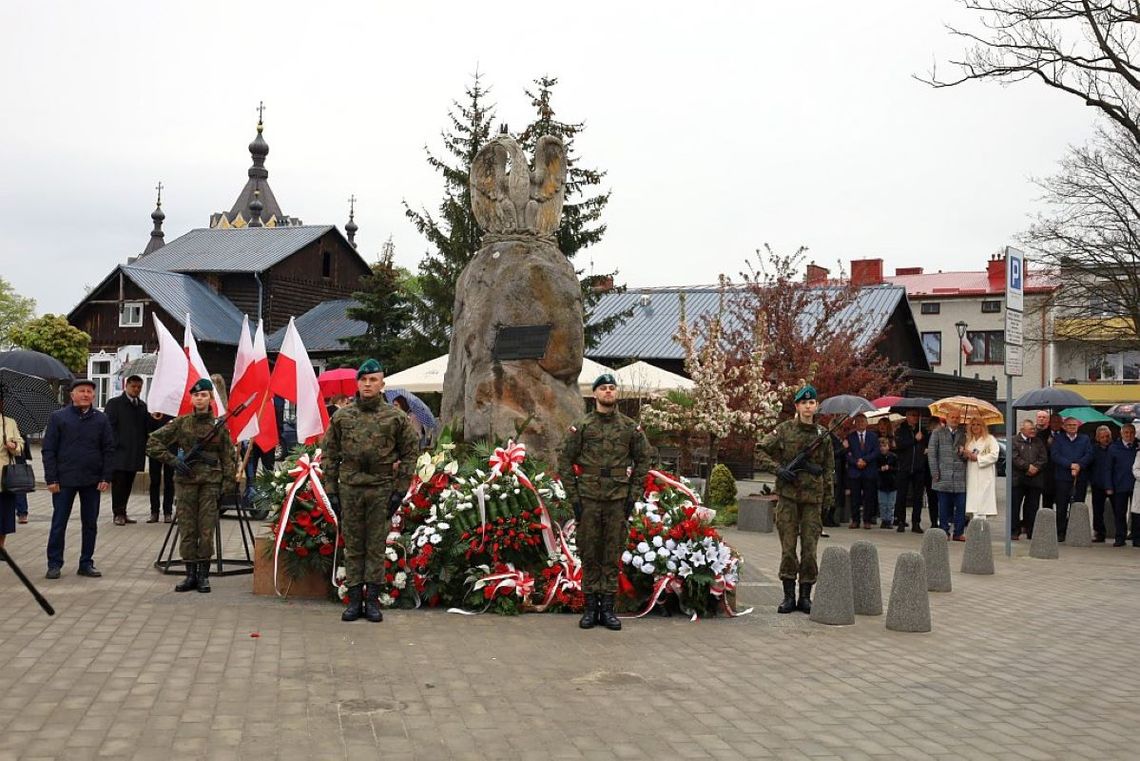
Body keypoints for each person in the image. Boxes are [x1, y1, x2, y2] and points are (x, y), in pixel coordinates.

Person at [322, 359, 418, 623]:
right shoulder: (342, 416)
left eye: (373, 380)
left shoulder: (396, 417)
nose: (367, 384)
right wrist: (331, 491)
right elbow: (328, 455)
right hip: (350, 489)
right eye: (363, 380)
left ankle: (372, 601)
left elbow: (411, 453)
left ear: (381, 384)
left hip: (381, 489)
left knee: (375, 546)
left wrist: (399, 491)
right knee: (353, 546)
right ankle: (354, 601)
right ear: (358, 383)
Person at [560, 373, 650, 631]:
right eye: (604, 388)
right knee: (589, 551)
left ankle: (608, 609)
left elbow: (644, 460)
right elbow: (565, 460)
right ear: (595, 394)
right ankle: (590, 609)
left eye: (612, 388)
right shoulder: (583, 426)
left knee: (611, 552)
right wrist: (574, 497)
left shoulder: (629, 428)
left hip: (617, 499)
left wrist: (632, 496)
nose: (609, 392)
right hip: (588, 499)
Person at [146, 378, 238, 593]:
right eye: (196, 395)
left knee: (205, 531)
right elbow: (152, 442)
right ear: (191, 398)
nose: (199, 398)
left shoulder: (219, 426)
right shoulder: (181, 423)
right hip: (186, 483)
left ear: (211, 398)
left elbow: (228, 456)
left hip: (210, 484)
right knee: (187, 529)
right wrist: (173, 460)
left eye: (204, 395)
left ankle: (204, 576)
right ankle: (190, 575)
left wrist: (228, 485)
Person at [756, 385, 833, 614]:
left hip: (812, 499)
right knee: (788, 549)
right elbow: (760, 450)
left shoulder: (823, 435)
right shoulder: (784, 430)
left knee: (809, 549)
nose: (809, 406)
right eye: (804, 403)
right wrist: (778, 470)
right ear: (797, 406)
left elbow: (829, 469)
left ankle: (806, 597)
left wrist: (828, 499)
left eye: (812, 403)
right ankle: (788, 596)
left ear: (816, 405)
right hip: (789, 498)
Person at [43, 378, 114, 579]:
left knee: (90, 523)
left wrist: (106, 476)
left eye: (90, 391)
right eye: (81, 391)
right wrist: (51, 478)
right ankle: (54, 563)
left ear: (93, 396)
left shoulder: (101, 419)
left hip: (92, 480)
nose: (86, 394)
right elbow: (49, 450)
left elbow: (108, 449)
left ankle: (86, 562)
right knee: (59, 522)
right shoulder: (59, 417)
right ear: (72, 395)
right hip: (64, 480)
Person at [104, 374, 149, 526]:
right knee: (119, 484)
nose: (136, 389)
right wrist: (116, 444)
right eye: (133, 386)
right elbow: (109, 427)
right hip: (120, 452)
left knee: (129, 483)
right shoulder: (115, 404)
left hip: (135, 452)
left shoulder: (142, 406)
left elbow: (144, 428)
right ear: (126, 386)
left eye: (139, 387)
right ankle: (118, 513)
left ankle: (124, 511)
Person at [1052, 415, 1093, 542]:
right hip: (1063, 477)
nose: (1072, 427)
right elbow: (1055, 455)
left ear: (1078, 426)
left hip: (1080, 478)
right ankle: (1060, 532)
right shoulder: (1058, 439)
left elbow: (1089, 454)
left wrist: (1079, 465)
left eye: (1074, 425)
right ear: (1064, 427)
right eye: (1069, 425)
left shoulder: (1085, 439)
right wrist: (1070, 465)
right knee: (1062, 506)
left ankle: (1075, 531)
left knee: (1078, 505)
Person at [928, 409, 967, 540]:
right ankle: (944, 531)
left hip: (960, 477)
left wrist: (963, 452)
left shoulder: (964, 434)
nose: (955, 420)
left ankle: (959, 532)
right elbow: (932, 454)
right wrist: (934, 472)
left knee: (961, 506)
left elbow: (969, 454)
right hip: (943, 475)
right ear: (947, 418)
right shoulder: (937, 432)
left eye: (957, 417)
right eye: (952, 417)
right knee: (943, 506)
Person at [1010, 419, 1047, 540]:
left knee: (1032, 507)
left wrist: (1036, 467)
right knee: (1015, 506)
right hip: (1018, 479)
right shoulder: (1014, 441)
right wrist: (1027, 467)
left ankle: (1031, 530)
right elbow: (1014, 457)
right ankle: (1014, 531)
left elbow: (1043, 457)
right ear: (1022, 430)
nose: (1033, 431)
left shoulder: (1038, 441)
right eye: (1031, 429)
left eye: (1033, 429)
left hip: (1035, 480)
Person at [894, 409, 928, 533]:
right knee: (901, 495)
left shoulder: (922, 430)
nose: (915, 417)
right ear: (907, 416)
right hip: (904, 467)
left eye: (917, 415)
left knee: (917, 496)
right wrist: (915, 439)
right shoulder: (901, 430)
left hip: (919, 468)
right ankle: (901, 521)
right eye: (912, 415)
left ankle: (916, 522)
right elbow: (900, 445)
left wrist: (925, 448)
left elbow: (927, 444)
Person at [962, 416, 999, 525]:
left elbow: (994, 455)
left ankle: (981, 530)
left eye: (978, 424)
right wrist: (965, 454)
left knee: (983, 504)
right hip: (972, 474)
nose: (975, 427)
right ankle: (974, 526)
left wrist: (978, 458)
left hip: (985, 474)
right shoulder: (968, 441)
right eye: (973, 425)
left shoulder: (990, 439)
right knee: (973, 503)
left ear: (983, 426)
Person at [845, 413, 879, 529]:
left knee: (868, 497)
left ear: (867, 423)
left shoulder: (873, 436)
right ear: (855, 423)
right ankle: (855, 520)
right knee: (855, 497)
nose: (860, 424)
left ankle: (867, 520)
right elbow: (847, 454)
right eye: (858, 422)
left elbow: (876, 452)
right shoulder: (850, 437)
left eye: (863, 421)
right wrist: (856, 462)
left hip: (869, 470)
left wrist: (865, 460)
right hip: (855, 471)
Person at [1, 406, 25, 551]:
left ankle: (1, 547)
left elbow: (20, 445)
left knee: (4, 514)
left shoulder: (9, 422)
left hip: (4, 476)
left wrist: (13, 446)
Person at [1107, 423, 1136, 547]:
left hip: (1136, 486)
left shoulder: (1138, 446)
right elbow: (1108, 469)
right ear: (1121, 433)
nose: (1129, 435)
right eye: (1126, 433)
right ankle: (1120, 537)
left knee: (1136, 513)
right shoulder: (1114, 448)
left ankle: (1136, 536)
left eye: (1131, 433)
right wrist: (1108, 486)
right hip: (1119, 485)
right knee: (1120, 512)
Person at [146, 412, 176, 523]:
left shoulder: (174, 412)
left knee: (169, 481)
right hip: (155, 450)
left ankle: (168, 512)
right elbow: (148, 430)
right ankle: (154, 512)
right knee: (154, 481)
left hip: (171, 450)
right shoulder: (153, 411)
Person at [1088, 425, 1115, 543]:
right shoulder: (1093, 449)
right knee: (1098, 510)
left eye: (1107, 436)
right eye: (1102, 437)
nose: (1105, 439)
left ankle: (1120, 533)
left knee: (1118, 510)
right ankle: (1099, 533)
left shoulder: (1114, 448)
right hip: (1097, 483)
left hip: (1114, 484)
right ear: (1097, 438)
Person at [877, 436, 898, 529]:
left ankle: (889, 520)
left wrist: (889, 468)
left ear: (888, 446)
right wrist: (880, 469)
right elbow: (874, 469)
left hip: (892, 484)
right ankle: (883, 520)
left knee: (890, 504)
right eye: (880, 446)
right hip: (882, 484)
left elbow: (898, 469)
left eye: (884, 446)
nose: (882, 448)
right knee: (882, 504)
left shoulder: (893, 457)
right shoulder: (878, 457)